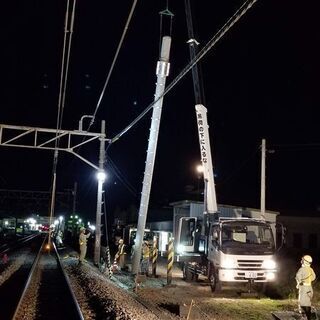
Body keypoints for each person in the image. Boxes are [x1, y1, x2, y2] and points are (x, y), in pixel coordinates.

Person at [295, 254, 316, 320]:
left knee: (302, 302)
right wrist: (309, 280)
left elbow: (298, 276)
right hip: (310, 287)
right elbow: (314, 277)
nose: (301, 261)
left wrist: (300, 282)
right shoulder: (311, 269)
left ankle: (304, 316)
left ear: (304, 261)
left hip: (303, 288)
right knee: (308, 302)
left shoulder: (301, 269)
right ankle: (308, 316)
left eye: (302, 260)